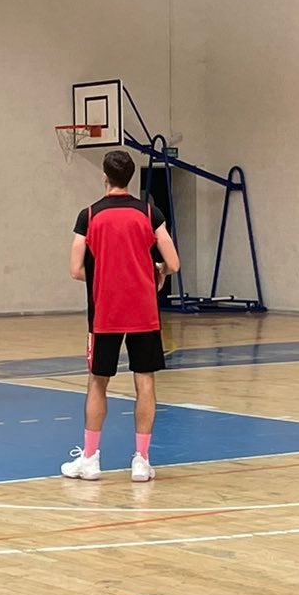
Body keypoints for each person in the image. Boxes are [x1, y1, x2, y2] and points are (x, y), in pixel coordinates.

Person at [65, 150, 180, 483]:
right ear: (131, 177)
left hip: (105, 311)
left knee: (98, 382)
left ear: (105, 176)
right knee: (144, 382)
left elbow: (75, 270)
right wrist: (154, 269)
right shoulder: (149, 212)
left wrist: (107, 275)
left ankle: (90, 459)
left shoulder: (88, 215)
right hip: (143, 310)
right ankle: (141, 461)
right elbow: (172, 263)